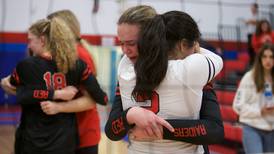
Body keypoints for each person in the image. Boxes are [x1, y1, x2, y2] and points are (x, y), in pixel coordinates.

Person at [105, 5, 224, 154]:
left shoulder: (125, 69)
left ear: (152, 38)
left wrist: (156, 129)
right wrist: (130, 115)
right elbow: (111, 129)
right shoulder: (194, 69)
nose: (125, 51)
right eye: (121, 43)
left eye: (131, 43)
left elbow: (214, 130)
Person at [6, 18, 107, 154]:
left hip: (32, 141)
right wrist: (58, 93)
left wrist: (4, 83)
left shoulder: (26, 65)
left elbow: (18, 91)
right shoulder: (77, 65)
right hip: (64, 142)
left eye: (30, 40)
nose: (29, 46)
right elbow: (102, 99)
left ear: (42, 40)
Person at [233, 43, 274, 153]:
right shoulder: (249, 77)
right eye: (265, 56)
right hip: (252, 128)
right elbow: (238, 106)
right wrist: (260, 111)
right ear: (260, 58)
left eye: (271, 57)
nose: (268, 60)